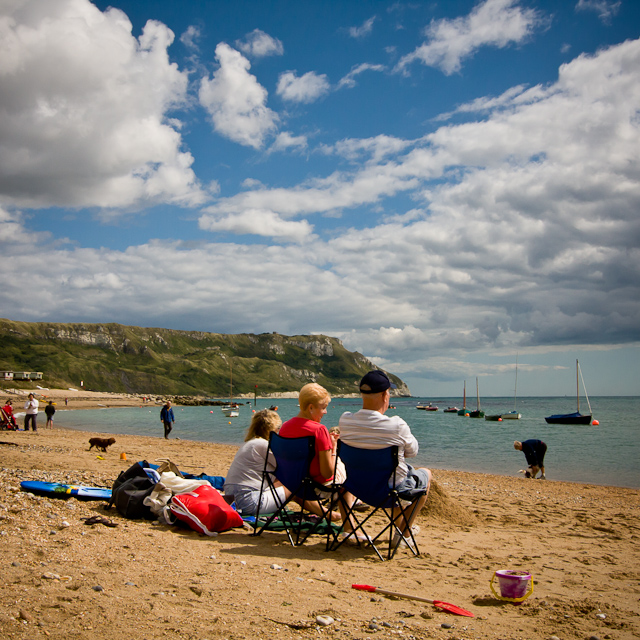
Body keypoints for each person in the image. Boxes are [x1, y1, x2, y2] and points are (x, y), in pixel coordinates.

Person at [338, 370, 431, 548]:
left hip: (356, 487)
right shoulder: (396, 424)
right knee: (424, 474)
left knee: (395, 471)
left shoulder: (345, 420)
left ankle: (351, 528)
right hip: (387, 492)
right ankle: (404, 533)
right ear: (385, 395)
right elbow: (413, 451)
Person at [279, 383, 342, 521]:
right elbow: (327, 473)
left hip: (292, 483)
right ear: (311, 407)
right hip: (316, 486)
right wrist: (333, 447)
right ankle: (349, 525)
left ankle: (330, 513)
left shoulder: (285, 427)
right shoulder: (319, 430)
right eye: (323, 408)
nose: (325, 412)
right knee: (348, 472)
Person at [223, 409, 289, 516]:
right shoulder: (263, 445)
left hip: (232, 499)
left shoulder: (250, 443)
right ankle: (324, 513)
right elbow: (286, 466)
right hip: (247, 502)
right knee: (293, 487)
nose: (278, 432)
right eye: (278, 429)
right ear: (272, 429)